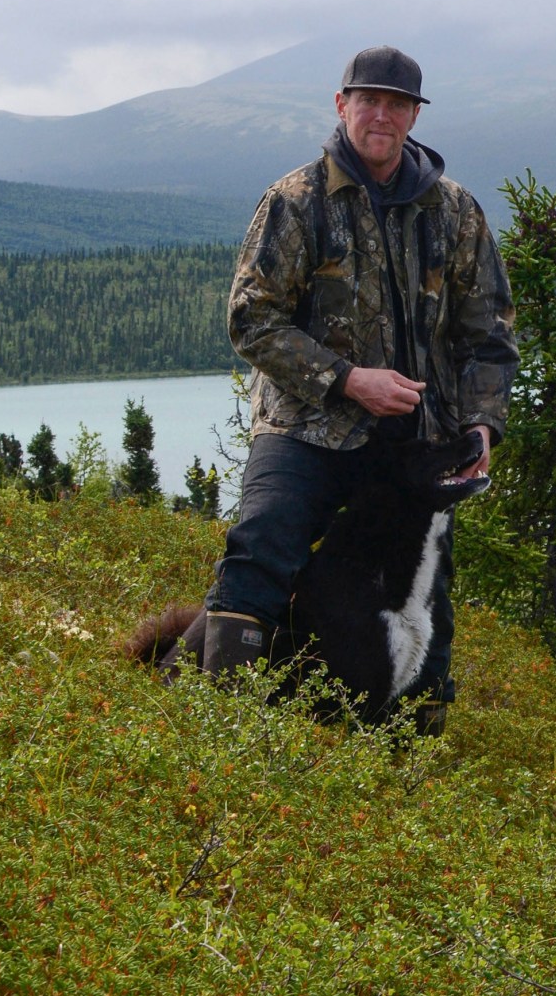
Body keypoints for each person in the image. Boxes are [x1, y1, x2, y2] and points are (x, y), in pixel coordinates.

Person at [196, 44, 518, 727]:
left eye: (396, 104)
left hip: (415, 444)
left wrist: (483, 425)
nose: (381, 115)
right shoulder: (295, 201)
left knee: (424, 584)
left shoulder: (455, 212)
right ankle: (219, 723)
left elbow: (488, 333)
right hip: (305, 429)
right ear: (341, 105)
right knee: (262, 544)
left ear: (413, 115)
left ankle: (414, 732)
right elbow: (251, 320)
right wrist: (346, 380)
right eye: (367, 100)